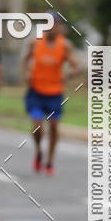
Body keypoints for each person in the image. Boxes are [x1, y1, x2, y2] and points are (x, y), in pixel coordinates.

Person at [22, 12, 79, 175]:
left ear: (59, 26)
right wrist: (26, 73)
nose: (50, 27)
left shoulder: (65, 45)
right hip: (36, 91)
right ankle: (39, 151)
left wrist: (69, 73)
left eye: (53, 23)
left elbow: (76, 65)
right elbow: (25, 60)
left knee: (54, 126)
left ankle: (50, 160)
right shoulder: (35, 43)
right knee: (37, 127)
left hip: (55, 93)